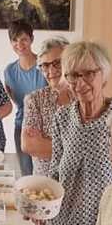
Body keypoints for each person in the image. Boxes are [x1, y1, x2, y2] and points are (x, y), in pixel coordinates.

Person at [46, 40, 112, 225]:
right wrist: (39, 204)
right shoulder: (62, 117)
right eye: (72, 75)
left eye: (88, 74)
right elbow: (55, 171)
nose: (79, 83)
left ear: (104, 74)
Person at [20, 36, 71, 177]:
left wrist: (45, 143)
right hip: (45, 183)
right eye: (45, 66)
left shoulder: (83, 96)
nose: (51, 70)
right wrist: (78, 150)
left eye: (57, 63)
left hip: (79, 183)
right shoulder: (35, 99)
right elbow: (28, 145)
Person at [4, 19, 45, 176]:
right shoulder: (9, 71)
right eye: (15, 40)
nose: (19, 44)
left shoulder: (44, 66)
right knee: (26, 174)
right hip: (22, 127)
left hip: (45, 128)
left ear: (31, 39)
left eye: (24, 39)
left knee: (44, 175)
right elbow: (17, 102)